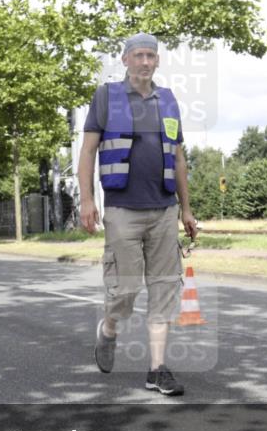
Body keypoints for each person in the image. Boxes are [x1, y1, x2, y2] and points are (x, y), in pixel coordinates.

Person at [78, 32, 198, 396]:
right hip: (122, 210)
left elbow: (178, 158)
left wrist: (187, 210)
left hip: (163, 209)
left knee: (163, 290)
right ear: (126, 59)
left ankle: (157, 369)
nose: (145, 62)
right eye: (139, 55)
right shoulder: (106, 96)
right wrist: (86, 200)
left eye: (151, 56)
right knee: (124, 290)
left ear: (157, 62)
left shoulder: (168, 101)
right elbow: (87, 152)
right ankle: (109, 329)